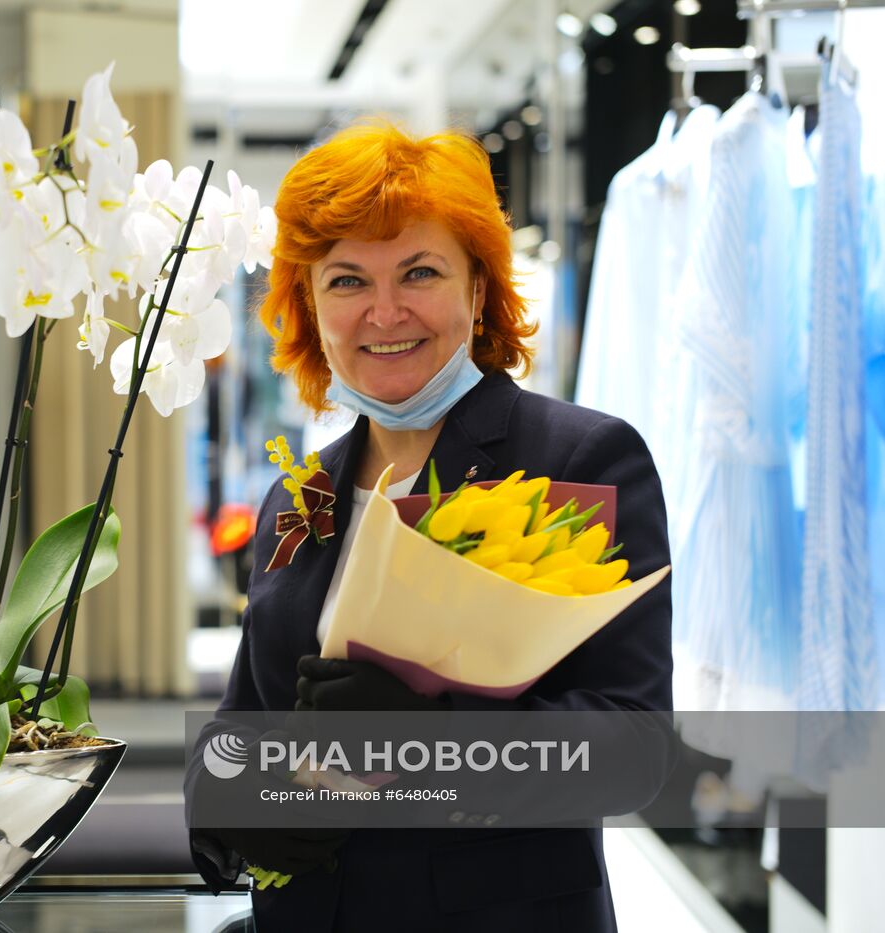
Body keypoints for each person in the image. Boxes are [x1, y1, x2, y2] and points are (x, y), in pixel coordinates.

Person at [184, 122, 674, 931]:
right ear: (308, 303)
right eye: (346, 280)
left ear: (478, 290)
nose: (384, 311)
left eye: (419, 271)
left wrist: (429, 736)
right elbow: (239, 731)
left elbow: (633, 751)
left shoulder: (579, 461)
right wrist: (239, 807)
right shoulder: (296, 497)